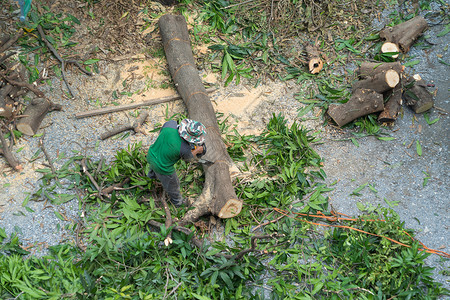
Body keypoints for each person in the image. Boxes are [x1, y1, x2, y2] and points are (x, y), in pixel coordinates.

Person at [146, 118, 206, 207]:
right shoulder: (184, 149)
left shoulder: (170, 124)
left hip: (152, 154)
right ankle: (178, 203)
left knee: (154, 166)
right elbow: (188, 158)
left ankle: (151, 178)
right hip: (162, 167)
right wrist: (197, 150)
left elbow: (162, 133)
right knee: (173, 185)